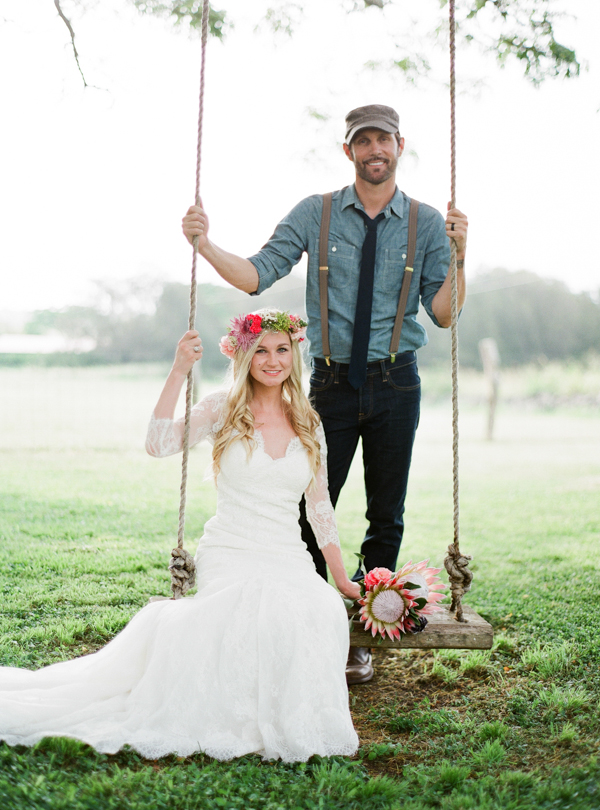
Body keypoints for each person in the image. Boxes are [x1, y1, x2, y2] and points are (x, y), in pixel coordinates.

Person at [181, 104, 468, 685]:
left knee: (386, 514)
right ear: (349, 152)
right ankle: (310, 625)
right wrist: (206, 246)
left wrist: (463, 256)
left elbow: (443, 314)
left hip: (396, 379)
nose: (373, 151)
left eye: (382, 140)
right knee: (312, 510)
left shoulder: (427, 221)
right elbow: (258, 274)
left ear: (399, 146)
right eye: (362, 142)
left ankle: (364, 634)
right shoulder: (316, 214)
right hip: (330, 385)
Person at [0, 309, 360, 762]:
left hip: (287, 552)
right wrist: (178, 371)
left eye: (282, 349)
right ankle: (238, 715)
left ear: (295, 354)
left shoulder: (309, 420)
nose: (272, 360)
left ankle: (288, 716)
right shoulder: (221, 407)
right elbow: (159, 444)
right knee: (255, 610)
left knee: (320, 606)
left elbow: (320, 505)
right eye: (261, 350)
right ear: (244, 355)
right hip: (230, 547)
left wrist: (342, 578)